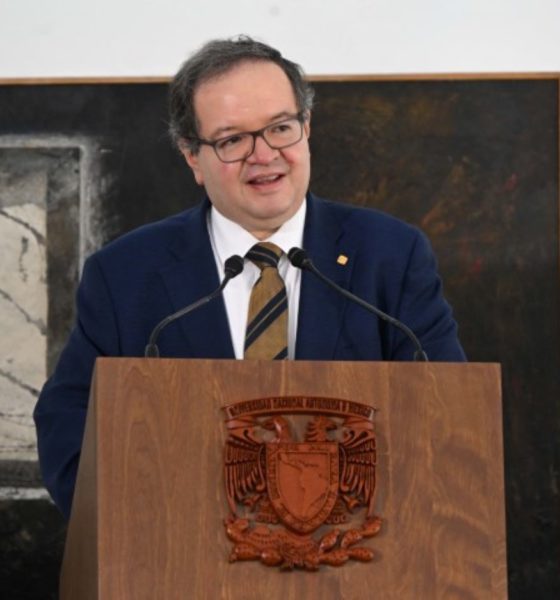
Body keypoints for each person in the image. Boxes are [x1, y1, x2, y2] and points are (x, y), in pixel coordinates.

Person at [34, 36, 466, 520]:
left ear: (306, 127)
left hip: (361, 548)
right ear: (192, 156)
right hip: (181, 551)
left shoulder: (391, 255)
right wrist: (139, 521)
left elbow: (448, 416)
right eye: (233, 140)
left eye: (280, 128)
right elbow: (67, 430)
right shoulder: (125, 275)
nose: (264, 155)